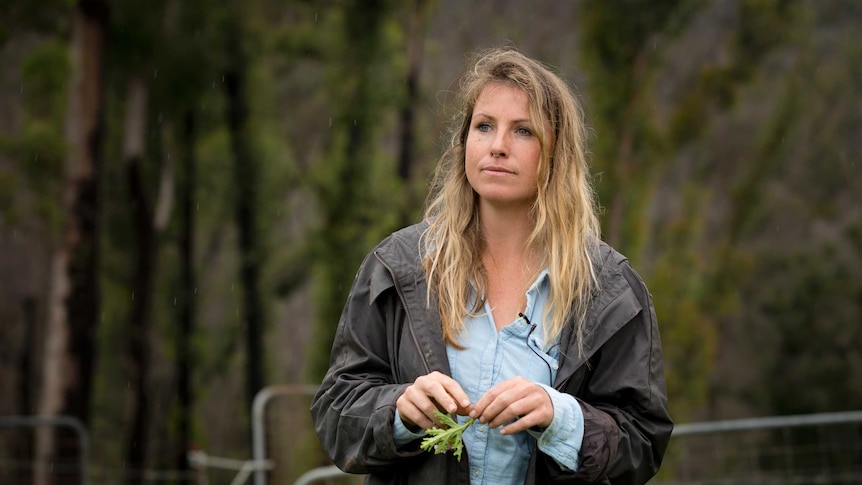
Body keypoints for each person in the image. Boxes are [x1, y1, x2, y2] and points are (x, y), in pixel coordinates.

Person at [310, 47, 672, 484]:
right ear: (464, 142)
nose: (498, 146)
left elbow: (643, 442)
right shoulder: (399, 267)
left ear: (556, 153)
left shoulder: (609, 289)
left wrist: (562, 417)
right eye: (484, 126)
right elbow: (336, 413)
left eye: (523, 131)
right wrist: (399, 411)